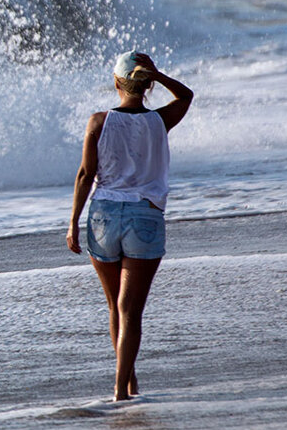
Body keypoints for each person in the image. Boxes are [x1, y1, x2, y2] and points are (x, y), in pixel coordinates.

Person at [67, 51, 193, 401]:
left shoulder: (98, 121)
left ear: (116, 82)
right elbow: (186, 96)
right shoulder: (159, 120)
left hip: (104, 216)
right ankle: (122, 389)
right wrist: (159, 75)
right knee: (130, 310)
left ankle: (129, 384)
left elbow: (85, 175)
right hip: (144, 216)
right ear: (149, 83)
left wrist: (73, 223)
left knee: (115, 307)